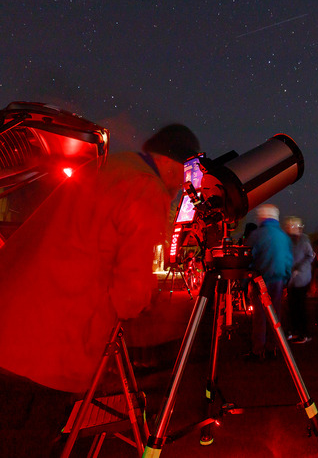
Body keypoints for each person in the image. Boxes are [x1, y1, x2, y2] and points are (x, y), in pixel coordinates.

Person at [0, 123, 200, 456]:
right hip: (47, 350)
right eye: (186, 173)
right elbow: (131, 292)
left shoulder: (106, 167)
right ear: (170, 162)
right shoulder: (144, 187)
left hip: (11, 328)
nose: (185, 185)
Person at [245, 204, 293, 360]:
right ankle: (274, 348)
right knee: (276, 315)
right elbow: (288, 260)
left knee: (260, 316)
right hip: (278, 280)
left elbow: (248, 258)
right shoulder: (283, 236)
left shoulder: (257, 235)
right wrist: (286, 279)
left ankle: (258, 350)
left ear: (262, 217)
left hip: (260, 280)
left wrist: (246, 281)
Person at [283, 216, 315, 344]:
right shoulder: (288, 240)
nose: (290, 227)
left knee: (299, 306)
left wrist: (299, 268)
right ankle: (294, 330)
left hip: (302, 278)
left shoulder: (304, 239)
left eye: (292, 225)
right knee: (292, 306)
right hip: (291, 278)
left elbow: (309, 256)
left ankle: (304, 333)